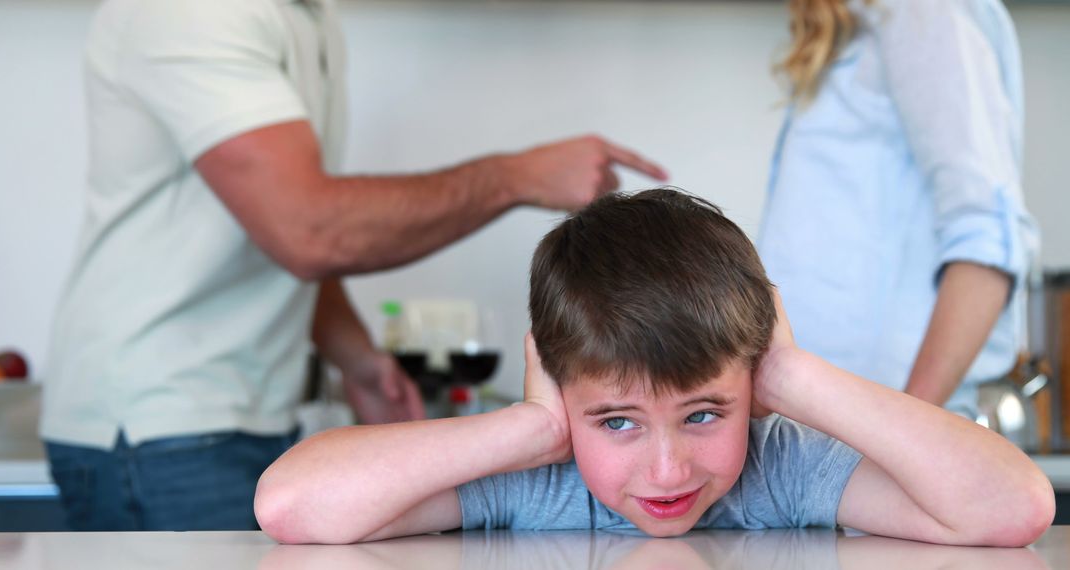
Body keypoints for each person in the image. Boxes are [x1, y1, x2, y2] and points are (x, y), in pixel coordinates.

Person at [40, 0, 666, 532]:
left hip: (230, 416)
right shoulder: (195, 11)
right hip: (158, 429)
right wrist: (516, 177)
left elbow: (267, 228)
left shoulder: (306, 17)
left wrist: (357, 359)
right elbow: (306, 229)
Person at [254, 189, 1054, 545]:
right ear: (560, 388)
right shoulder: (536, 473)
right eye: (616, 421)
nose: (667, 467)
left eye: (705, 413)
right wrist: (535, 426)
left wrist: (793, 377)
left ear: (753, 381)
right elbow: (292, 506)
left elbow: (1011, 509)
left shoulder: (777, 471)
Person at [758, 0, 1039, 416]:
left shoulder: (922, 12)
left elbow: (987, 245)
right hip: (841, 436)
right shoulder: (863, 28)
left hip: (880, 442)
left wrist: (905, 432)